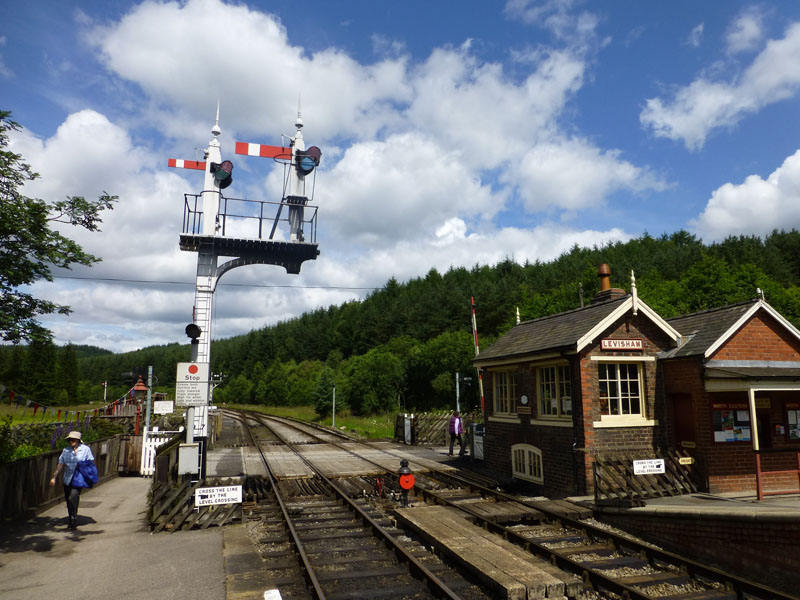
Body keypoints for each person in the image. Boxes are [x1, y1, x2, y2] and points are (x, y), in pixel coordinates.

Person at [50, 431, 95, 530]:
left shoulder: (85, 449)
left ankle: (73, 516)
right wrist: (54, 477)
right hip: (67, 478)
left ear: (78, 440)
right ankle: (72, 516)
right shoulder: (66, 450)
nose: (71, 442)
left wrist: (88, 473)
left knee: (73, 496)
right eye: (69, 440)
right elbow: (60, 464)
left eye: (73, 440)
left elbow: (90, 462)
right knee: (68, 499)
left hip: (79, 478)